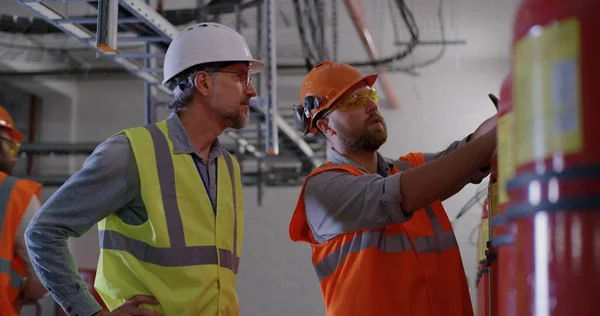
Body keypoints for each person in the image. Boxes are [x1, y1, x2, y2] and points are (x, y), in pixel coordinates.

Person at [25, 22, 264, 316]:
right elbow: (43, 232)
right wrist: (92, 313)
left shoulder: (228, 167)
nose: (251, 90)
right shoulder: (130, 153)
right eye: (241, 77)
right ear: (203, 83)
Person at [289, 61, 497, 316]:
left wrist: (508, 114)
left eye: (370, 96)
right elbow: (401, 194)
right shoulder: (322, 190)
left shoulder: (411, 168)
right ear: (326, 126)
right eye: (354, 100)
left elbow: (466, 151)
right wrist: (493, 139)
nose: (372, 105)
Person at [0, 105, 47, 316]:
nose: (14, 157)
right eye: (12, 148)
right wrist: (29, 292)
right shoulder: (14, 193)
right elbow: (43, 272)